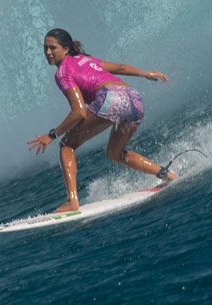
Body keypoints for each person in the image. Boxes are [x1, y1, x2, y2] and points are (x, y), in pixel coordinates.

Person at [27, 28, 176, 212]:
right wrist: (146, 73)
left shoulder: (62, 73)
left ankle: (72, 201)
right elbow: (120, 68)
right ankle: (167, 175)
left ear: (66, 49)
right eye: (45, 48)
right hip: (134, 98)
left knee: (66, 144)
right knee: (115, 153)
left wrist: (52, 135)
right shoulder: (86, 59)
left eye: (52, 48)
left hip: (111, 98)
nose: (48, 53)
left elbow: (79, 112)